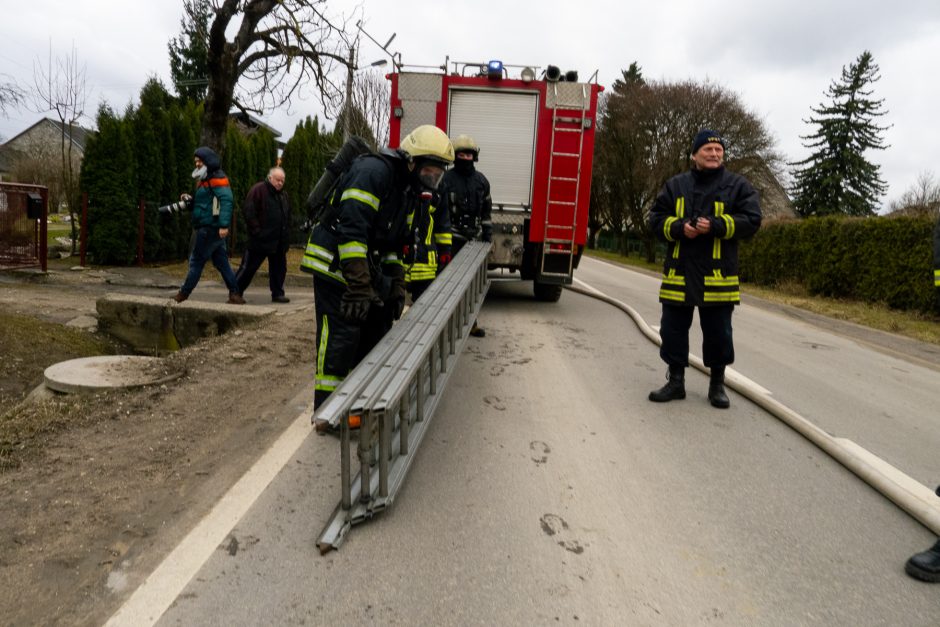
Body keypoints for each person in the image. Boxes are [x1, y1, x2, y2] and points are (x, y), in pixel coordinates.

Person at [301, 125, 454, 431]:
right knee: (341, 337)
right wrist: (359, 287)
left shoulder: (408, 191)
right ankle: (327, 414)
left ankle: (358, 402)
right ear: (411, 161)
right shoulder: (373, 173)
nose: (432, 181)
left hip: (362, 267)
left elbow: (392, 245)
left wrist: (395, 285)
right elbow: (352, 232)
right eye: (428, 173)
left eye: (437, 176)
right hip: (334, 264)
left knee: (377, 327)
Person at [647, 129, 762, 408]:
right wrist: (678, 228)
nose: (714, 154)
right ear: (694, 155)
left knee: (719, 334)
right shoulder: (676, 185)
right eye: (708, 150)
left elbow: (752, 220)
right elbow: (655, 219)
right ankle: (676, 382)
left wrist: (717, 226)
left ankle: (717, 385)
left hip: (717, 277)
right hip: (680, 273)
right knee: (672, 330)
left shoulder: (738, 186)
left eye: (718, 150)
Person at [173, 147, 245, 305]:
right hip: (212, 228)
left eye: (199, 161)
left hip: (209, 228)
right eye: (196, 161)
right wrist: (190, 200)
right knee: (222, 263)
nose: (197, 164)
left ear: (207, 162)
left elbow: (226, 201)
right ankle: (235, 294)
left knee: (196, 261)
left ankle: (183, 294)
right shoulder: (206, 179)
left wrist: (224, 225)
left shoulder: (215, 179)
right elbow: (205, 202)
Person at [440, 133, 492, 337]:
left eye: (469, 154)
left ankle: (471, 323)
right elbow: (440, 210)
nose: (466, 158)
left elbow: (486, 211)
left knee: (473, 284)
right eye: (462, 154)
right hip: (452, 239)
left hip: (475, 241)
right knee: (449, 283)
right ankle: (447, 324)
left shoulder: (482, 181)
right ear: (455, 155)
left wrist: (487, 235)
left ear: (475, 156)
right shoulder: (446, 180)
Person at [235, 166, 292, 303]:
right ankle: (235, 292)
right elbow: (249, 211)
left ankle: (278, 293)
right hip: (260, 240)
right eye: (277, 180)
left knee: (279, 269)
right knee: (248, 267)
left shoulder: (284, 195)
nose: (280, 183)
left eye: (282, 181)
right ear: (270, 178)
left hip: (278, 241)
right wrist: (257, 231)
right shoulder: (258, 190)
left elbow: (288, 215)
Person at [405, 188, 452, 303]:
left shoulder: (439, 188)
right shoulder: (404, 182)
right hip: (402, 263)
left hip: (426, 266)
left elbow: (443, 222)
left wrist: (445, 250)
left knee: (423, 309)